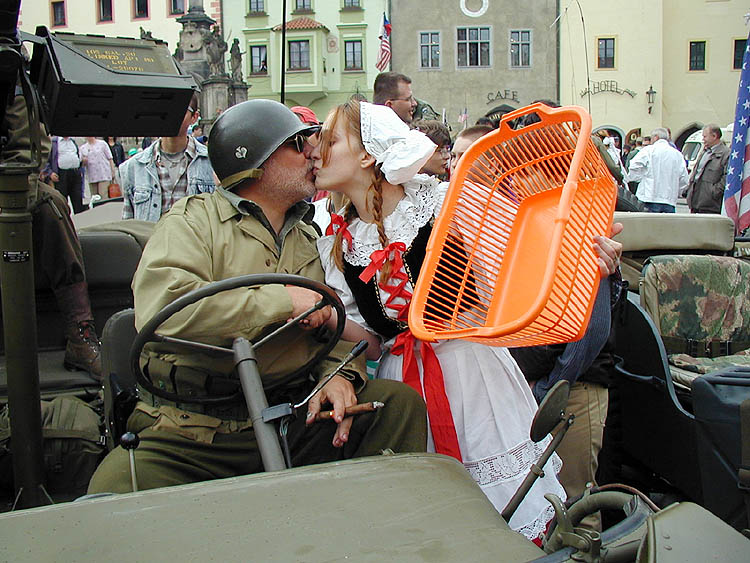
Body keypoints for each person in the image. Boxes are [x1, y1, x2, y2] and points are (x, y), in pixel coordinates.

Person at [87, 99, 427, 494]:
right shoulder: (193, 222)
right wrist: (283, 301)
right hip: (190, 434)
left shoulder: (308, 236)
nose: (311, 154)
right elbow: (164, 311)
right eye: (297, 146)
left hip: (292, 414)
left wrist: (337, 376)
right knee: (105, 499)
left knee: (397, 406)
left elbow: (332, 323)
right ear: (256, 160)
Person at [310, 100, 576, 542]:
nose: (317, 151)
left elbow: (522, 262)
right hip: (405, 385)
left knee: (502, 517)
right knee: (430, 522)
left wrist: (587, 256)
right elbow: (375, 343)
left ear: (367, 154)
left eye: (331, 140)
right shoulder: (339, 241)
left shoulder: (442, 203)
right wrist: (325, 317)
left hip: (471, 372)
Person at [4, 86, 102, 380]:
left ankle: (79, 335)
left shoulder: (12, 73)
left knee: (52, 205)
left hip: (10, 182)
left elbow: (29, 147)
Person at [120, 92, 216, 221]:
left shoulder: (212, 162)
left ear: (194, 117)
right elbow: (129, 224)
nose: (172, 115)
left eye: (181, 109)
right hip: (151, 239)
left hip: (196, 240)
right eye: (166, 109)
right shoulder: (133, 167)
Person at [628, 128, 688, 213]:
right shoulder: (677, 154)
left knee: (649, 225)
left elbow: (634, 166)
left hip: (649, 197)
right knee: (667, 225)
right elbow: (684, 178)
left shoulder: (649, 150)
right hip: (669, 200)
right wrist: (677, 191)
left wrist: (638, 178)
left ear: (656, 137)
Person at [685, 124, 730, 214]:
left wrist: (714, 192)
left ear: (714, 136)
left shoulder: (725, 154)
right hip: (696, 201)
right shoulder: (704, 152)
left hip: (711, 205)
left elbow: (727, 176)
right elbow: (696, 173)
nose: (703, 139)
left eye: (705, 136)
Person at [40, 135, 85, 214]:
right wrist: (50, 173)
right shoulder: (54, 142)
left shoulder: (72, 141)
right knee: (62, 200)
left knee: (78, 199)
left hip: (75, 173)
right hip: (61, 174)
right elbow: (45, 159)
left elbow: (77, 155)